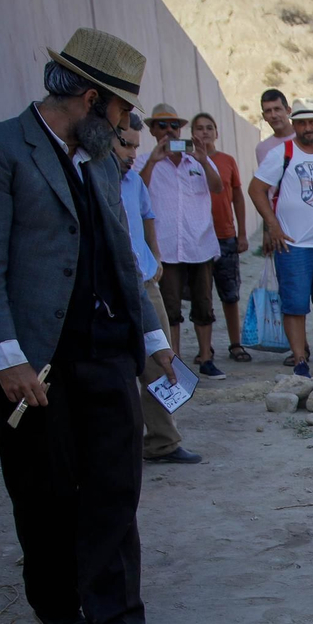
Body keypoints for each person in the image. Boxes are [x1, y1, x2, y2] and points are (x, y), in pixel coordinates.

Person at [0, 28, 180, 624]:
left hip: (106, 354)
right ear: (90, 97)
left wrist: (152, 339)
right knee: (45, 491)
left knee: (115, 487)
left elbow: (120, 252)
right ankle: (55, 601)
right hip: (33, 364)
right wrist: (7, 358)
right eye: (123, 109)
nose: (127, 125)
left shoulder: (99, 160)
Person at [247, 98, 313, 377]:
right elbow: (256, 189)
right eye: (301, 122)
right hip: (293, 244)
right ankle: (299, 360)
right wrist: (272, 225)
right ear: (293, 123)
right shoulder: (282, 153)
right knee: (295, 306)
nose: (307, 127)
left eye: (312, 122)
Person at [115, 113, 199, 465]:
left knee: (161, 361)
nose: (132, 154)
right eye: (125, 145)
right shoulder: (91, 180)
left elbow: (147, 216)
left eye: (136, 147)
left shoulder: (132, 181)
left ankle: (163, 441)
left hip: (145, 283)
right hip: (109, 289)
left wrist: (155, 255)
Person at [141, 103, 224, 378]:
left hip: (199, 244)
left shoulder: (197, 160)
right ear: (152, 130)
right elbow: (137, 190)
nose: (169, 131)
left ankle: (206, 357)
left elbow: (218, 187)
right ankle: (174, 362)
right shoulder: (144, 161)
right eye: (162, 125)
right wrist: (153, 161)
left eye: (174, 125)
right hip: (166, 246)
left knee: (204, 304)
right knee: (170, 307)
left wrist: (203, 160)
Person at [189, 112, 249, 365]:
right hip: (197, 239)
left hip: (225, 235)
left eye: (209, 128)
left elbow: (238, 196)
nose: (204, 132)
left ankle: (236, 344)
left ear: (216, 132)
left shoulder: (227, 161)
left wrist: (242, 233)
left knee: (230, 294)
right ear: (192, 133)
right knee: (201, 296)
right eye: (199, 128)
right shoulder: (185, 161)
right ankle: (205, 349)